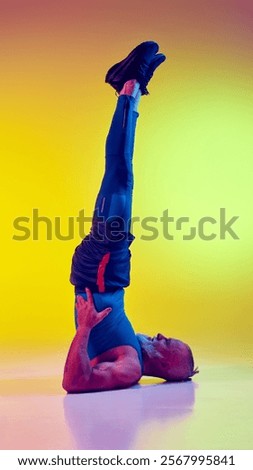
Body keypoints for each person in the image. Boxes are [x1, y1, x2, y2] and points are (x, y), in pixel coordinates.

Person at [62, 41, 198, 393]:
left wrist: (84, 330)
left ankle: (129, 86)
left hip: (103, 271)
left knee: (121, 174)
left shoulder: (131, 367)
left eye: (169, 345)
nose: (163, 335)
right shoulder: (133, 347)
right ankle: (128, 88)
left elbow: (74, 384)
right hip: (108, 269)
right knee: (121, 174)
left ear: (167, 367)